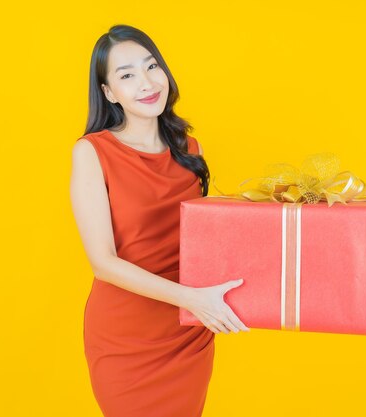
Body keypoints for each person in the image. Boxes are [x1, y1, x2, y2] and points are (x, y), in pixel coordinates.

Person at [69, 24, 250, 417]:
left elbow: (206, 241)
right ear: (108, 92)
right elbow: (103, 263)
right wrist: (194, 300)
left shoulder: (189, 148)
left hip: (188, 331)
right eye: (127, 75)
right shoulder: (92, 152)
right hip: (127, 339)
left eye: (152, 67)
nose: (147, 82)